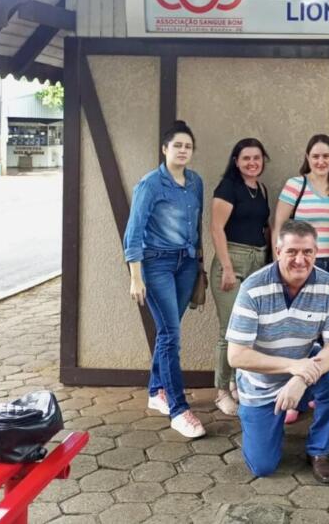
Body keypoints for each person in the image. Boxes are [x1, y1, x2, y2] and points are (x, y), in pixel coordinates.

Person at [226, 220, 329, 483]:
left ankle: (319, 450)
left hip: (303, 369)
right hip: (261, 384)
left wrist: (301, 377)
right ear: (278, 251)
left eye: (307, 252)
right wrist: (292, 367)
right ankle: (265, 422)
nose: (300, 260)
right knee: (263, 466)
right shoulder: (253, 287)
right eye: (292, 251)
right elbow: (236, 356)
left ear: (317, 253)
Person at [123, 120, 206, 439]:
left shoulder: (195, 181)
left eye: (188, 146)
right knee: (171, 334)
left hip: (185, 264)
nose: (183, 151)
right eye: (178, 145)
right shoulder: (150, 184)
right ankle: (178, 408)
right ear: (165, 149)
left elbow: (195, 224)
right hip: (156, 265)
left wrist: (197, 260)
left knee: (169, 332)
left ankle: (157, 390)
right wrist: (136, 276)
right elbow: (134, 231)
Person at [210, 138, 271, 417]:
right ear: (236, 161)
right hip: (232, 261)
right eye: (246, 158)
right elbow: (216, 228)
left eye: (257, 158)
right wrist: (226, 267)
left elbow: (264, 226)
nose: (252, 163)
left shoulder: (261, 189)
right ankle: (221, 391)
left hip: (258, 260)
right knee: (230, 330)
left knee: (250, 329)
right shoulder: (228, 188)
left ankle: (236, 383)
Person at [273, 134, 329, 281]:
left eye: (326, 156)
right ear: (307, 157)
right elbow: (278, 228)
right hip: (300, 262)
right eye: (315, 156)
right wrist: (278, 265)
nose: (321, 161)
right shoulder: (295, 185)